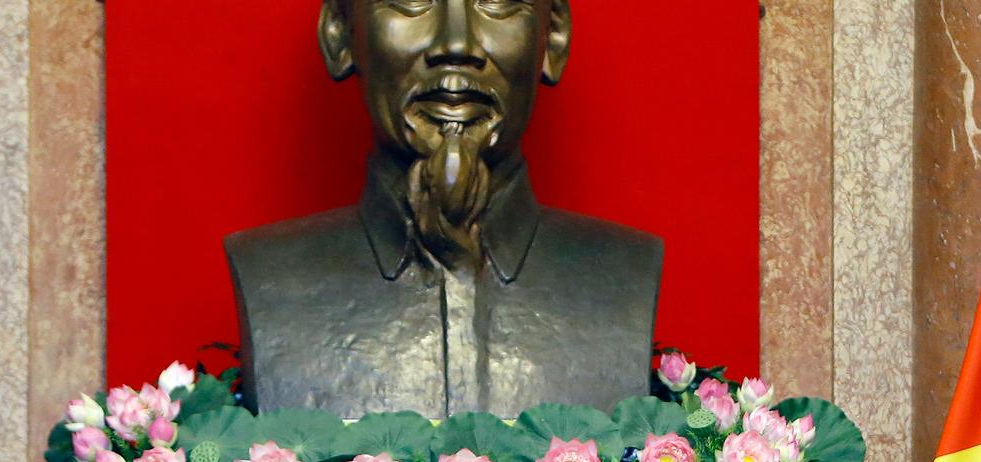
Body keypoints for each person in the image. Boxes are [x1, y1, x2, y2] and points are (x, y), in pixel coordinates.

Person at [225, 0, 661, 418]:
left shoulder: (625, 271)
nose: (456, 44)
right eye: (411, 1)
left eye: (498, 1)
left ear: (554, 36)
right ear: (339, 32)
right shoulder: (271, 275)